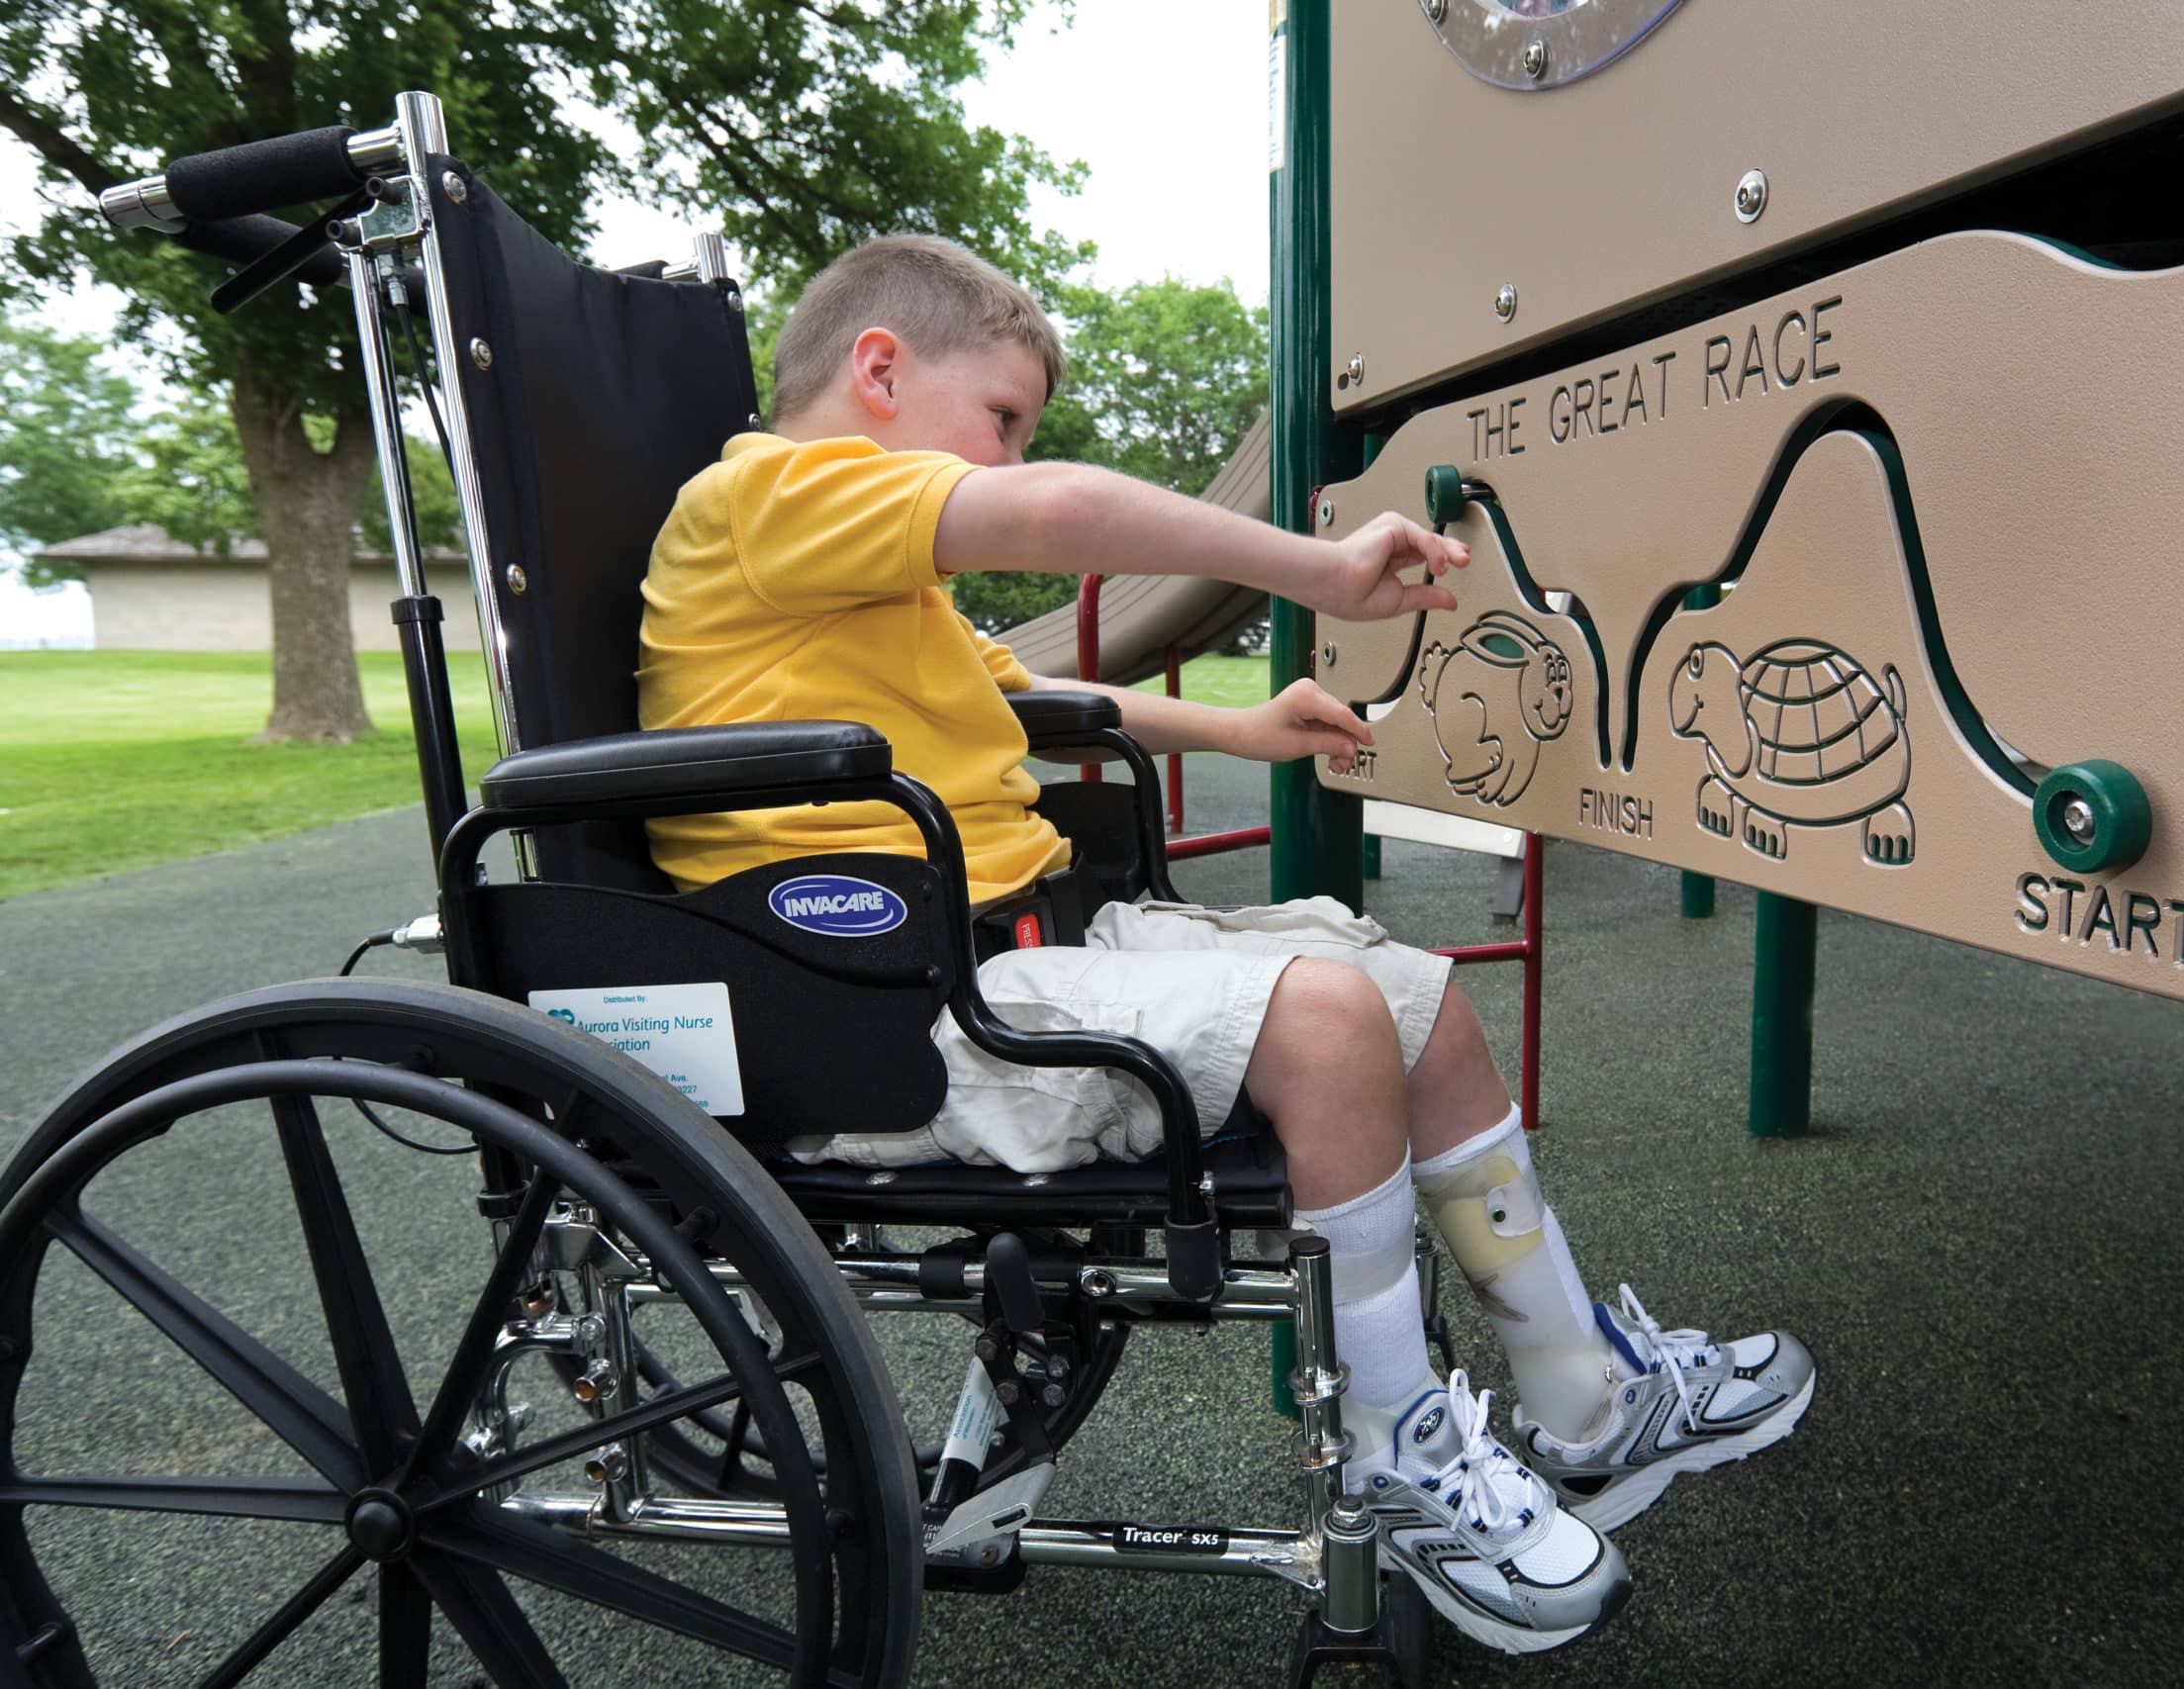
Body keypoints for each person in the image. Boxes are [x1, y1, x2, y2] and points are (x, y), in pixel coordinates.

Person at [638, 233, 1815, 1653]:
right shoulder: (766, 495)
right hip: (882, 1008)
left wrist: (1242, 728)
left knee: (1413, 997)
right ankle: (1393, 1454)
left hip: (1003, 952)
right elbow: (1057, 513)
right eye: (1001, 418)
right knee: (1325, 1019)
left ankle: (1585, 1395)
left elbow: (1046, 701)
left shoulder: (868, 582)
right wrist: (1314, 567)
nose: (1011, 455)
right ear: (878, 371)